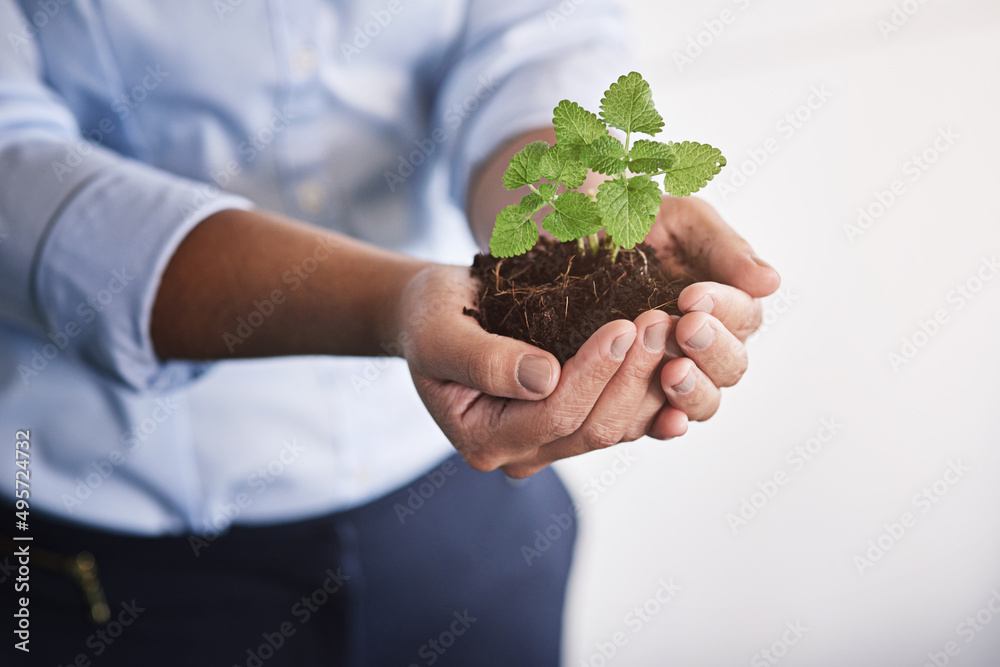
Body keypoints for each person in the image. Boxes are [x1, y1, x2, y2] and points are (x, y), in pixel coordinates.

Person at [0, 0, 779, 665]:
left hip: (452, 506)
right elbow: (15, 173)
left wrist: (575, 208)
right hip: (123, 545)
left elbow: (528, 38)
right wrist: (398, 303)